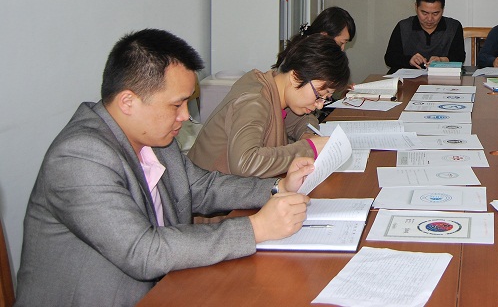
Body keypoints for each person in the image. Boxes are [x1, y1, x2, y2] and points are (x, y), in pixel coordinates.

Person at [15, 29, 315, 307]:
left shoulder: (154, 137)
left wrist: (278, 187)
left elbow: (202, 187)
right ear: (128, 102)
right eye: (176, 105)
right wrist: (256, 228)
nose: (185, 116)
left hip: (169, 287)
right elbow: (143, 252)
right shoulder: (79, 157)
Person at [189, 33, 351, 178]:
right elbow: (245, 163)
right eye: (319, 95)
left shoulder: (277, 90)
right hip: (207, 196)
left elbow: (300, 120)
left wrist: (307, 134)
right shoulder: (254, 100)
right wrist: (309, 148)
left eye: (325, 98)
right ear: (295, 76)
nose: (320, 105)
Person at [384, 0, 465, 73]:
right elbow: (390, 58)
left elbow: (459, 57)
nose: (429, 19)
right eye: (424, 13)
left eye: (435, 13)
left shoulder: (453, 27)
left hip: (441, 78)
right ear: (416, 7)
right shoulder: (403, 27)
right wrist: (409, 60)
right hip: (407, 78)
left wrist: (442, 60)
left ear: (443, 9)